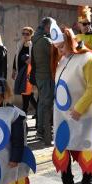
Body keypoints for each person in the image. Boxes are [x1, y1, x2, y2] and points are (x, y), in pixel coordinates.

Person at [50, 20, 92, 184]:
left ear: (70, 41)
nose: (61, 51)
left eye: (62, 46)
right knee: (63, 149)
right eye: (57, 48)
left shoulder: (89, 58)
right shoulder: (63, 60)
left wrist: (79, 108)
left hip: (84, 116)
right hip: (64, 116)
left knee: (85, 151)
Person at [31, 17, 58, 145]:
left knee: (42, 104)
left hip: (40, 76)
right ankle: (46, 135)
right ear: (47, 27)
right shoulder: (45, 41)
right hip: (46, 76)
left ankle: (40, 131)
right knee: (47, 105)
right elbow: (57, 54)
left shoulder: (36, 40)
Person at [12, 26, 38, 116]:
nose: (25, 36)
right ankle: (38, 111)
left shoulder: (33, 45)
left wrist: (31, 61)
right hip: (21, 72)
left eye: (27, 34)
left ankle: (24, 113)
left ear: (31, 35)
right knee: (27, 93)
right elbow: (16, 57)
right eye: (23, 34)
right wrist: (14, 70)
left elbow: (36, 58)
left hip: (29, 72)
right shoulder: (20, 44)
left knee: (27, 93)